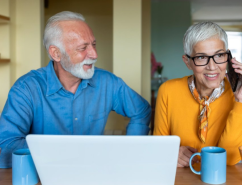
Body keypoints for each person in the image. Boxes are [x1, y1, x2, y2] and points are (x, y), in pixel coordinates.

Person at [0, 11, 151, 168]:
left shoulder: (108, 82)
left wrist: (131, 150)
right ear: (56, 53)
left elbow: (142, 111)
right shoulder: (26, 88)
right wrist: (65, 155)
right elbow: (7, 145)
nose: (94, 54)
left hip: (93, 173)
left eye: (93, 44)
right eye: (82, 48)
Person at [153, 22, 242, 166]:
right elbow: (158, 148)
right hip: (181, 176)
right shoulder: (168, 90)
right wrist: (171, 152)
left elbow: (230, 158)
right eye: (201, 57)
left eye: (219, 55)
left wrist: (240, 101)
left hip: (221, 177)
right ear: (188, 62)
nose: (212, 67)